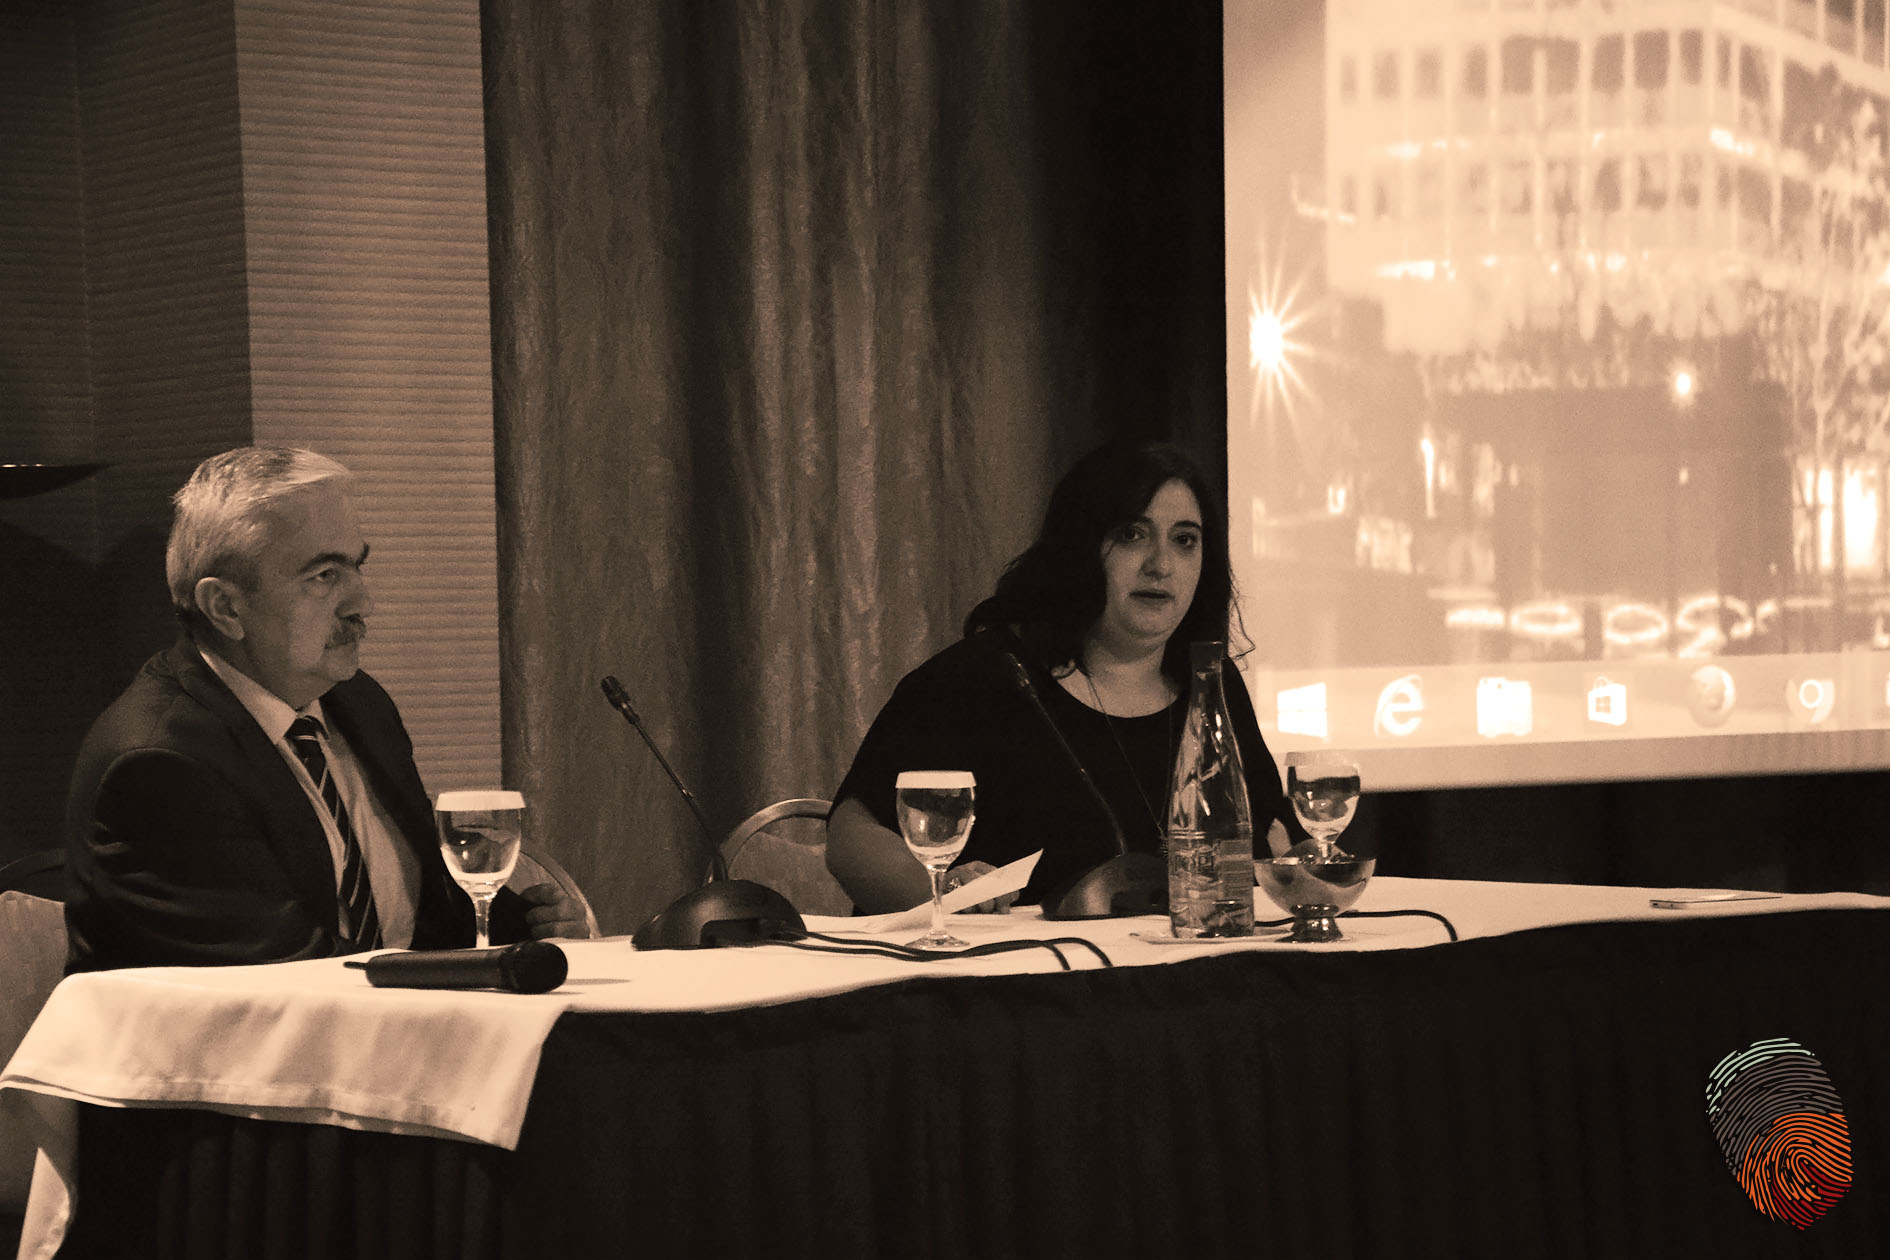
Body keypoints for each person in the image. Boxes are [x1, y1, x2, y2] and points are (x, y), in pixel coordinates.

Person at [64, 447, 586, 972]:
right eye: (323, 575)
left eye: (357, 566)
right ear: (226, 608)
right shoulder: (160, 763)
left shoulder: (356, 702)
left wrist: (528, 929)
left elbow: (425, 912)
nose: (363, 603)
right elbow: (285, 972)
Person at [826, 440, 1299, 913]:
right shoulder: (980, 680)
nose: (1161, 564)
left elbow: (1275, 838)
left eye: (1185, 540)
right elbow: (853, 835)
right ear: (1080, 547)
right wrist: (946, 894)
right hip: (1010, 958)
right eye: (1132, 535)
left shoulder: (1211, 684)